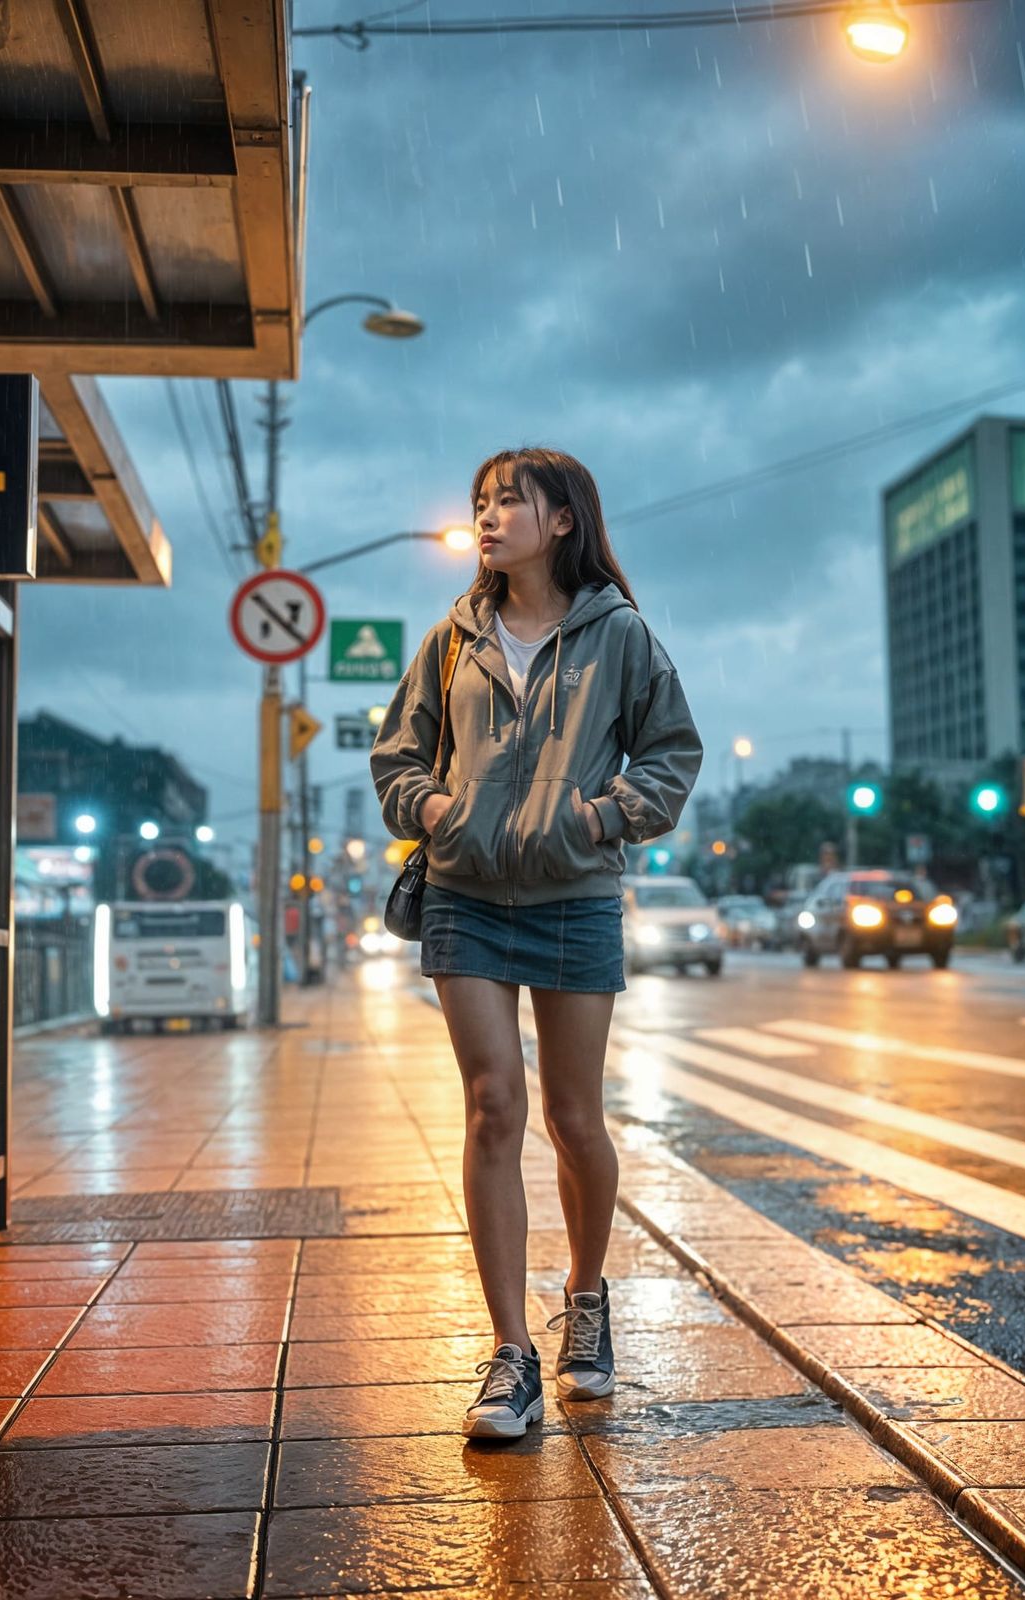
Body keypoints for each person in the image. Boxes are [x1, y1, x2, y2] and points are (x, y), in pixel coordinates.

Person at [371, 447, 703, 1440]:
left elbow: (672, 753)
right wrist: (430, 803)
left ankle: (587, 1298)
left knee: (573, 1116)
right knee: (491, 1106)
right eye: (480, 502)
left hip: (574, 896)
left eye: (508, 500)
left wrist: (601, 819)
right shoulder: (451, 639)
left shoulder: (620, 636)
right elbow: (396, 752)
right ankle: (511, 1351)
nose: (487, 515)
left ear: (562, 519)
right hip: (464, 897)